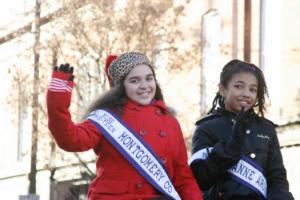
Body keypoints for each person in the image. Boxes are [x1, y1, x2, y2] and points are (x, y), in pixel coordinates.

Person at [46, 51, 203, 200]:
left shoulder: (169, 121)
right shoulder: (107, 118)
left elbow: (183, 177)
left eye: (149, 78)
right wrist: (57, 101)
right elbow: (70, 140)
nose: (144, 86)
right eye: (134, 81)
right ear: (120, 87)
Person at [189, 59, 294, 200]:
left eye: (252, 89)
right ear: (223, 90)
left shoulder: (267, 129)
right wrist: (230, 148)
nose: (246, 93)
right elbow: (200, 179)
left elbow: (277, 178)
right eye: (239, 87)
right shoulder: (206, 128)